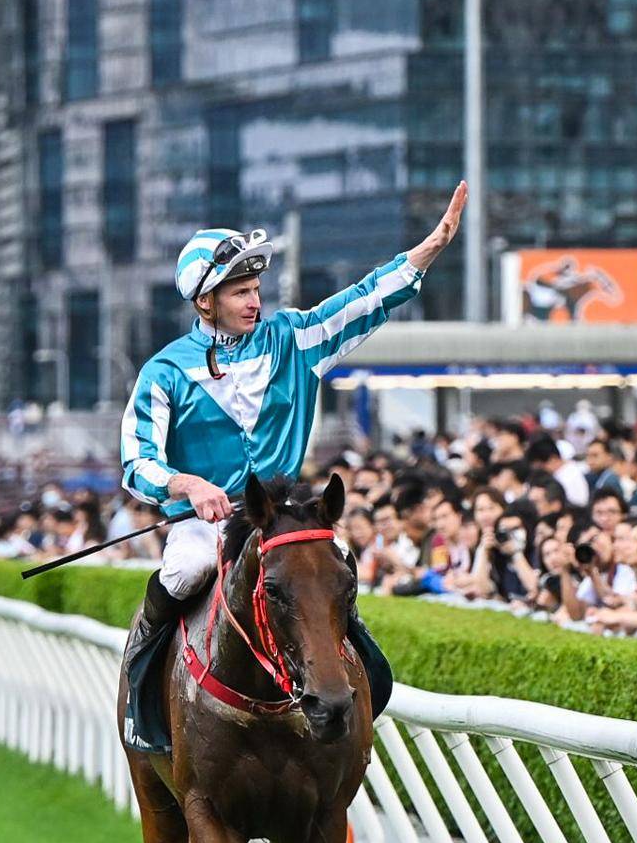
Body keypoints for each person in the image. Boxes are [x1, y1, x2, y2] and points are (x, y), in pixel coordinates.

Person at [117, 183, 467, 685]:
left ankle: (361, 679)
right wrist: (186, 485)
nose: (254, 301)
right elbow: (136, 462)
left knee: (335, 563)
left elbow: (364, 300)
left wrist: (425, 254)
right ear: (204, 301)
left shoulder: (294, 338)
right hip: (204, 524)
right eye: (240, 292)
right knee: (186, 568)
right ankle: (140, 676)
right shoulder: (163, 371)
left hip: (281, 515)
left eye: (256, 289)